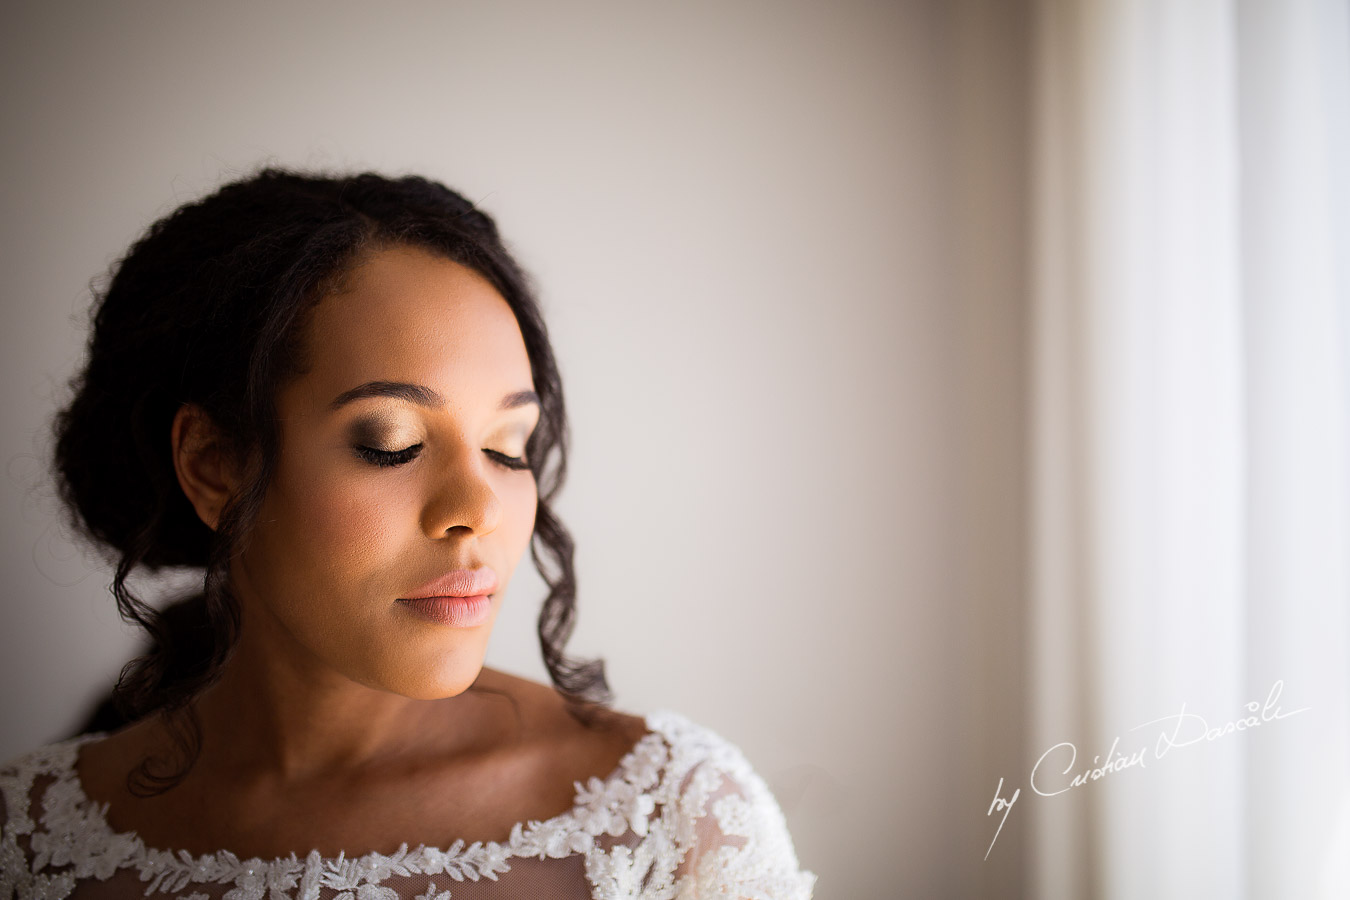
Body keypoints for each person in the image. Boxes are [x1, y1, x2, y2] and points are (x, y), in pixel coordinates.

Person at [0, 169, 817, 899]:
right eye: (391, 443)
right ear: (214, 465)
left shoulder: (675, 822)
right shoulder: (25, 844)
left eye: (508, 447)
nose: (479, 506)